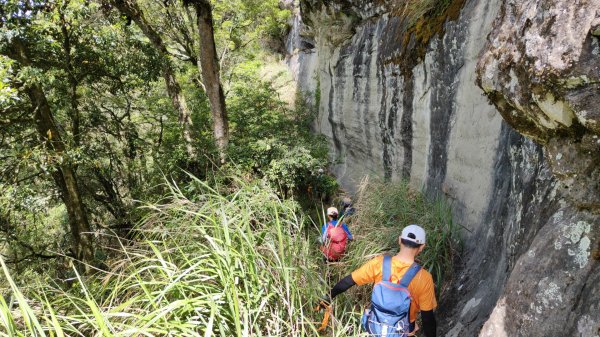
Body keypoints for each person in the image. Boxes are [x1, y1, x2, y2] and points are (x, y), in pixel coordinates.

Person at [318, 224, 437, 337]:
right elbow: (427, 319)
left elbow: (348, 281)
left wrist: (327, 298)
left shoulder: (379, 263)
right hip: (402, 331)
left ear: (400, 240)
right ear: (422, 247)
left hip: (375, 327)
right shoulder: (424, 278)